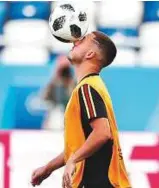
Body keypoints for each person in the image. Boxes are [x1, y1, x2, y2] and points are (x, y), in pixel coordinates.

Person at [31, 31, 131, 188]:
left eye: (83, 40)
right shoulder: (92, 86)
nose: (75, 41)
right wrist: (48, 168)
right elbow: (78, 145)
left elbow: (102, 133)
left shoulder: (87, 88)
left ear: (90, 53)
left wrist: (73, 160)